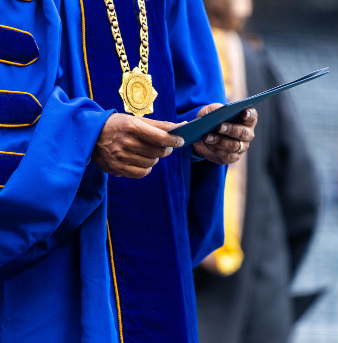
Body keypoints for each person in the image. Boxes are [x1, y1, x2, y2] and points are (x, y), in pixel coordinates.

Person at [0, 0, 257, 341]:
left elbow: (189, 98)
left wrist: (201, 138)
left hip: (152, 267)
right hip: (40, 288)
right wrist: (85, 140)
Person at [193, 0, 321, 342]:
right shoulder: (257, 65)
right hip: (256, 301)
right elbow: (302, 193)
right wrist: (275, 277)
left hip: (175, 294)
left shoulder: (163, 62)